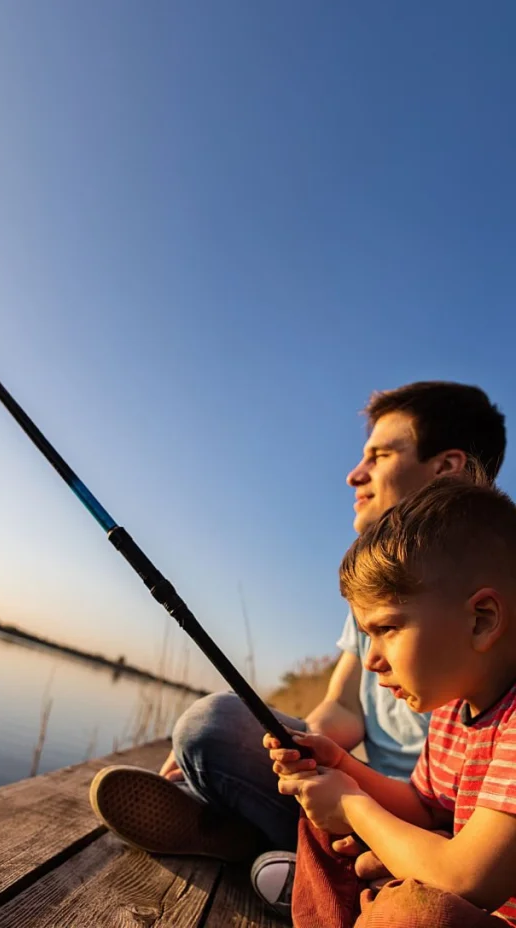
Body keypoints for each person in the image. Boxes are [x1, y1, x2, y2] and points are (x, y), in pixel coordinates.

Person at [89, 382, 506, 913]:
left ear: (447, 466)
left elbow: (467, 865)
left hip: (458, 839)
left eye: (378, 455)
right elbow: (345, 706)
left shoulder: (486, 641)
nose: (355, 474)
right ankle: (272, 848)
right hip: (391, 802)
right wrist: (306, 753)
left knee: (420, 909)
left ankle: (273, 851)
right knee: (209, 726)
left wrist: (355, 806)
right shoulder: (379, 598)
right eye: (370, 630)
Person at [267, 472, 516, 927]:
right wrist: (341, 768)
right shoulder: (450, 712)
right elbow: (423, 808)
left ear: (481, 619)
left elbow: (466, 879)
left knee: (417, 916)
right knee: (324, 825)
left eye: (387, 629)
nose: (373, 660)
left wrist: (352, 805)